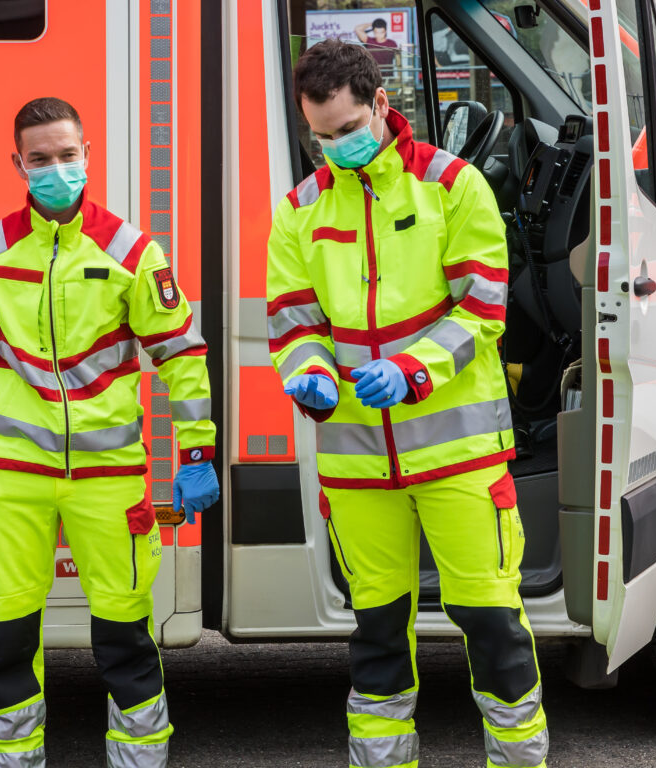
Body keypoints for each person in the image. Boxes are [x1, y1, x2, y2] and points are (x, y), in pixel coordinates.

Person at [0, 96, 219, 768]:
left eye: (67, 155)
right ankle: (12, 758)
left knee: (126, 634)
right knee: (7, 636)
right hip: (13, 477)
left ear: (87, 154)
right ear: (18, 163)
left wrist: (197, 452)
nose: (56, 169)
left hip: (109, 480)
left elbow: (182, 356)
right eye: (40, 159)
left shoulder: (131, 251)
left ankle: (140, 757)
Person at [267, 41, 547, 768]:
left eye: (347, 128)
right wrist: (309, 374)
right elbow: (293, 324)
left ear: (381, 105)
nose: (336, 147)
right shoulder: (299, 210)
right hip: (357, 461)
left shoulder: (451, 186)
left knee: (492, 624)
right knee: (377, 635)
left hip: (458, 454)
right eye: (321, 137)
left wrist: (412, 370)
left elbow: (483, 306)